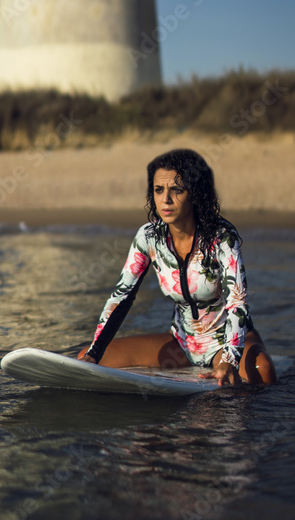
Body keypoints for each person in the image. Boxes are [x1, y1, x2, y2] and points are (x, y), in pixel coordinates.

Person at [77, 149, 277, 386]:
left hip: (225, 343)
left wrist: (229, 360)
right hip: (182, 344)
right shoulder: (149, 237)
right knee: (86, 359)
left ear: (195, 194)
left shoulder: (221, 237)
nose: (166, 200)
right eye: (158, 190)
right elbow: (123, 296)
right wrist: (95, 352)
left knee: (262, 370)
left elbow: (237, 304)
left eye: (177, 190)